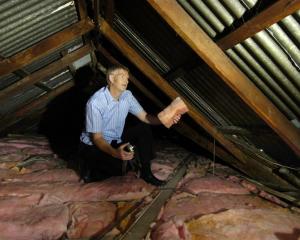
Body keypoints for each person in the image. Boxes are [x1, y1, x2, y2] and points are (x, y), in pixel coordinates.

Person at [79, 65, 181, 186]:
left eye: (127, 78)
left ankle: (146, 173)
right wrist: (116, 153)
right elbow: (97, 138)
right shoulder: (95, 102)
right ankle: (89, 168)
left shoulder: (127, 96)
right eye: (122, 77)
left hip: (116, 139)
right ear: (111, 78)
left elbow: (145, 117)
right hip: (94, 146)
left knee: (143, 128)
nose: (126, 81)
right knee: (109, 174)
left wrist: (165, 118)